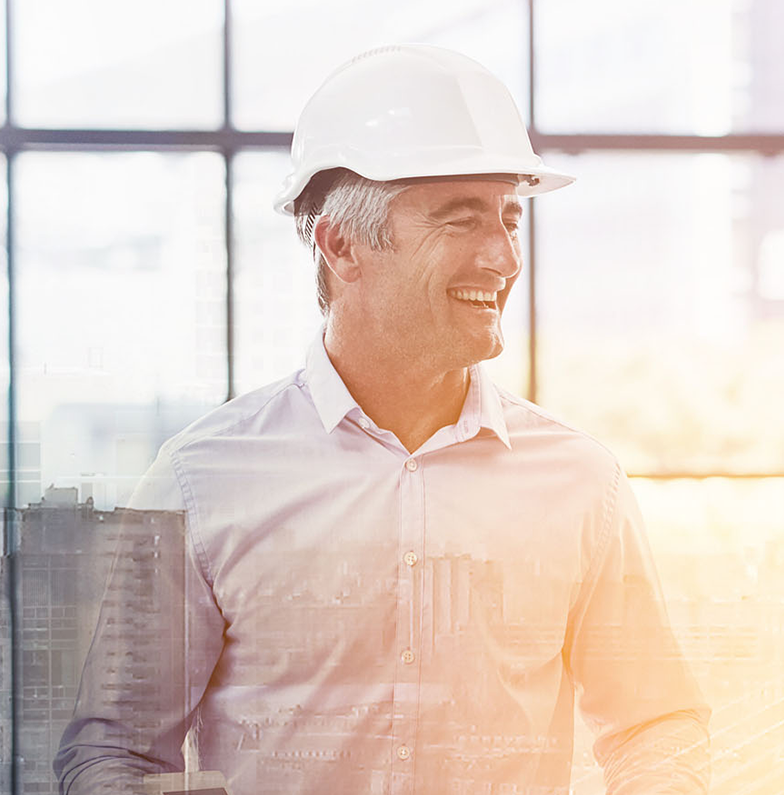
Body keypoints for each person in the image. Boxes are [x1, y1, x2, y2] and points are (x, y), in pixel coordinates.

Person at [56, 45, 710, 795]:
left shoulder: (579, 483)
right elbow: (114, 756)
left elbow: (655, 723)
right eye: (461, 220)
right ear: (342, 244)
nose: (502, 257)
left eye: (509, 218)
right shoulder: (199, 483)